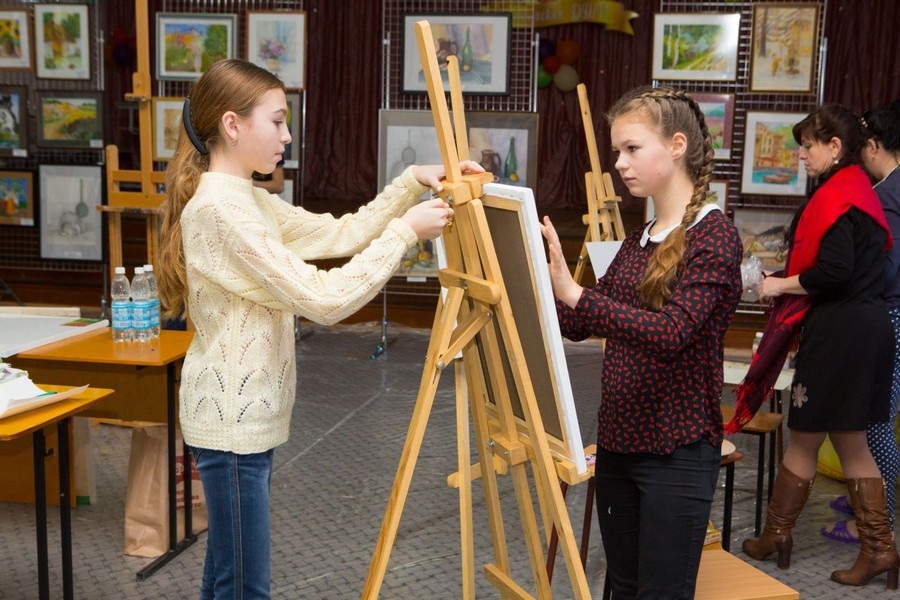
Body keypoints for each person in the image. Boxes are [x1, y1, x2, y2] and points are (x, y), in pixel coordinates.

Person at [154, 58, 482, 599]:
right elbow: (325, 299)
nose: (287, 136)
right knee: (244, 587)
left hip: (242, 421)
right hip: (231, 424)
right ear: (233, 125)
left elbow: (341, 233)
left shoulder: (245, 199)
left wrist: (410, 183)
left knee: (226, 577)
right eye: (277, 121)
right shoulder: (220, 212)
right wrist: (405, 233)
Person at [541, 85, 743, 598]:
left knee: (660, 591)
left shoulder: (714, 236)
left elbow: (671, 333)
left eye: (632, 148)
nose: (619, 163)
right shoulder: (639, 239)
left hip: (676, 450)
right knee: (624, 586)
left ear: (676, 146)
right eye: (617, 151)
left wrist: (575, 294)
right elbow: (581, 322)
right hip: (619, 444)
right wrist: (531, 288)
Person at [740, 105, 899, 590]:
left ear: (835, 146)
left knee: (824, 436)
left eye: (809, 145)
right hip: (866, 327)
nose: (801, 154)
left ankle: (863, 546)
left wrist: (778, 285)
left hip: (842, 332)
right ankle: (789, 535)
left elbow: (834, 270)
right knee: (828, 437)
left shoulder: (840, 197)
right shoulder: (859, 192)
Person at [821, 100, 900, 545]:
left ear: (872, 146)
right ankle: (865, 502)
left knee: (876, 421)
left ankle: (877, 520)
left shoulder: (887, 194)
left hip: (890, 314)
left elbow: (886, 268)